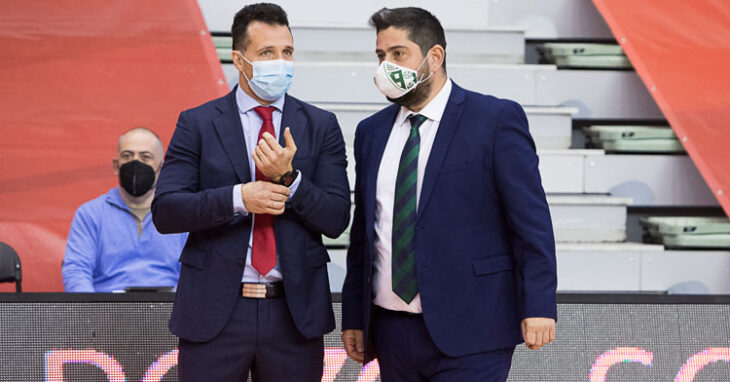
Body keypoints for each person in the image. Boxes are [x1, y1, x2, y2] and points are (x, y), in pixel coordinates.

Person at [341, 7, 558, 381]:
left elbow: (531, 222)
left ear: (435, 57)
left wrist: (539, 305)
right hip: (392, 332)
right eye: (380, 56)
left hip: (475, 329)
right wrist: (354, 316)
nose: (385, 66)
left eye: (398, 54)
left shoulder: (495, 120)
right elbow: (365, 233)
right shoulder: (370, 133)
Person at [151, 3, 350, 381]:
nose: (281, 62)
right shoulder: (198, 123)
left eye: (287, 52)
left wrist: (290, 180)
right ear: (239, 60)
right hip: (214, 312)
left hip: (294, 315)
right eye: (267, 53)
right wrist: (240, 198)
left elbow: (338, 217)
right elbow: (167, 211)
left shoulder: (321, 125)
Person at [62, 128, 187, 292]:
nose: (136, 163)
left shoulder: (180, 213)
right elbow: (76, 270)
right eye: (127, 156)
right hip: (107, 311)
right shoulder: (90, 214)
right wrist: (91, 314)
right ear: (116, 165)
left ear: (161, 167)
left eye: (145, 157)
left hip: (172, 310)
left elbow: (197, 271)